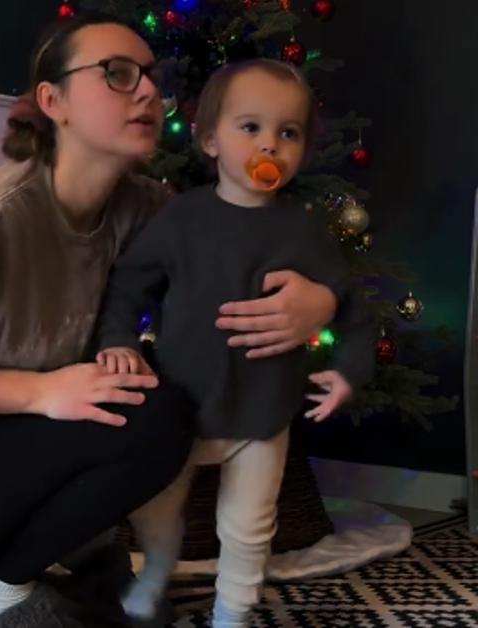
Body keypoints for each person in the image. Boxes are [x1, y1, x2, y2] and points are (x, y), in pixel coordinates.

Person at [0, 12, 341, 628]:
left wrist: (320, 301)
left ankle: (75, 559)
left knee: (154, 394)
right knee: (153, 416)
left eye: (151, 77)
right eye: (117, 75)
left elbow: (241, 245)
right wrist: (40, 392)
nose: (148, 91)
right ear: (54, 100)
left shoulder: (147, 206)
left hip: (43, 439)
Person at [96, 59, 376, 628]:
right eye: (250, 127)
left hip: (262, 413)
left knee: (250, 525)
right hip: (180, 406)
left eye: (287, 133)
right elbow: (128, 282)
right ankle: (154, 574)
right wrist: (119, 340)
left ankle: (233, 611)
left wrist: (348, 371)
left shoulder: (301, 230)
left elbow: (351, 307)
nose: (269, 144)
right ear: (209, 140)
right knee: (155, 512)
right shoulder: (182, 218)